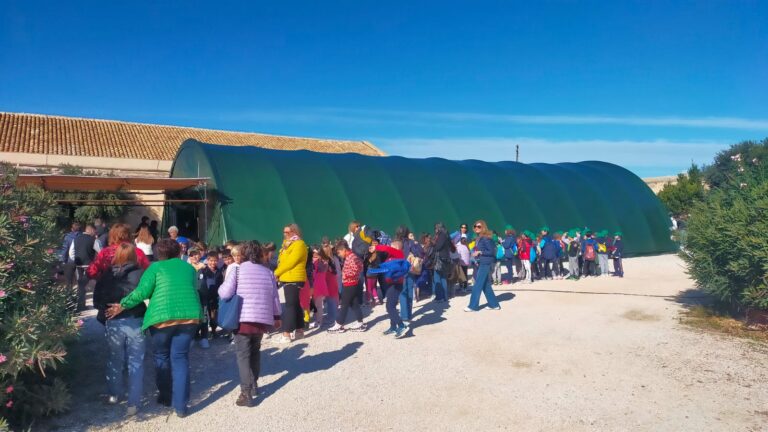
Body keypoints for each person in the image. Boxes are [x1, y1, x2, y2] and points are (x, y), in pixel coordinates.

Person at [106, 239, 202, 418]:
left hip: (162, 318)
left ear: (158, 254)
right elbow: (194, 288)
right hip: (189, 317)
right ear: (178, 253)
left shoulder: (155, 268)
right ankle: (181, 407)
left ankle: (165, 396)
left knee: (161, 356)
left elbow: (142, 292)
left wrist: (122, 305)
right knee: (180, 359)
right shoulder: (189, 268)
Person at [218, 241, 282, 407]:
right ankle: (253, 385)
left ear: (244, 254)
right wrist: (277, 317)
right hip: (261, 320)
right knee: (255, 352)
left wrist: (221, 288)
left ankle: (246, 392)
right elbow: (275, 297)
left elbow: (224, 293)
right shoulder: (268, 272)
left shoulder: (238, 271)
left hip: (242, 319)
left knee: (243, 355)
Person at [92, 243, 146, 416]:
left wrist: (105, 308)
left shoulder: (107, 274)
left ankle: (114, 394)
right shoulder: (140, 273)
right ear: (133, 255)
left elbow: (96, 298)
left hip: (114, 321)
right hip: (136, 319)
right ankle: (133, 403)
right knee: (136, 361)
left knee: (115, 359)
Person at [274, 223, 308, 344]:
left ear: (295, 232)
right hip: (287, 277)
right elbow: (281, 261)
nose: (285, 234)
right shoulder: (286, 245)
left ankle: (286, 333)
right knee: (295, 304)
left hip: (294, 277)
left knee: (289, 306)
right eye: (284, 232)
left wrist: (276, 273)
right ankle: (299, 331)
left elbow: (290, 262)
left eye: (288, 232)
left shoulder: (299, 244)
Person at [369, 240, 409, 337]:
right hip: (391, 284)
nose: (389, 249)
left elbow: (387, 248)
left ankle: (401, 325)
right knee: (392, 306)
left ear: (396, 248)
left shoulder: (399, 254)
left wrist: (376, 247)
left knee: (389, 307)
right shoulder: (391, 257)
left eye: (391, 247)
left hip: (396, 284)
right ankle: (393, 327)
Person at [327, 240, 366, 333]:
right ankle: (360, 323)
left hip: (350, 284)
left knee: (344, 305)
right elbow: (360, 266)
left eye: (339, 252)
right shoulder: (351, 256)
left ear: (344, 250)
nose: (339, 254)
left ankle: (339, 324)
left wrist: (345, 275)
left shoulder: (351, 257)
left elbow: (357, 268)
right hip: (351, 283)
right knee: (354, 304)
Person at [465, 220, 501, 312]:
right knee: (485, 285)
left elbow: (491, 251)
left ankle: (473, 306)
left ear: (483, 227)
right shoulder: (479, 238)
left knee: (478, 284)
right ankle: (494, 304)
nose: (476, 228)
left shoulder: (486, 238)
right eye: (475, 226)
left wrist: (480, 252)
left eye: (479, 226)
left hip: (485, 263)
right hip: (481, 262)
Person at [71, 224, 100, 310]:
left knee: (80, 285)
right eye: (94, 231)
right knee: (98, 282)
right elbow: (101, 252)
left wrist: (76, 260)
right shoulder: (94, 240)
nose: (95, 233)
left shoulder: (75, 239)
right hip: (90, 265)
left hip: (79, 266)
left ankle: (80, 306)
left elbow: (71, 253)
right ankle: (97, 303)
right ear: (90, 230)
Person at [431, 222, 451, 303]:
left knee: (437, 277)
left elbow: (438, 247)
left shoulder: (441, 235)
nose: (435, 230)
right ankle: (445, 296)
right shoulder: (447, 235)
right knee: (443, 278)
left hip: (439, 259)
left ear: (439, 228)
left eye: (436, 228)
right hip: (445, 258)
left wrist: (433, 245)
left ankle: (439, 297)